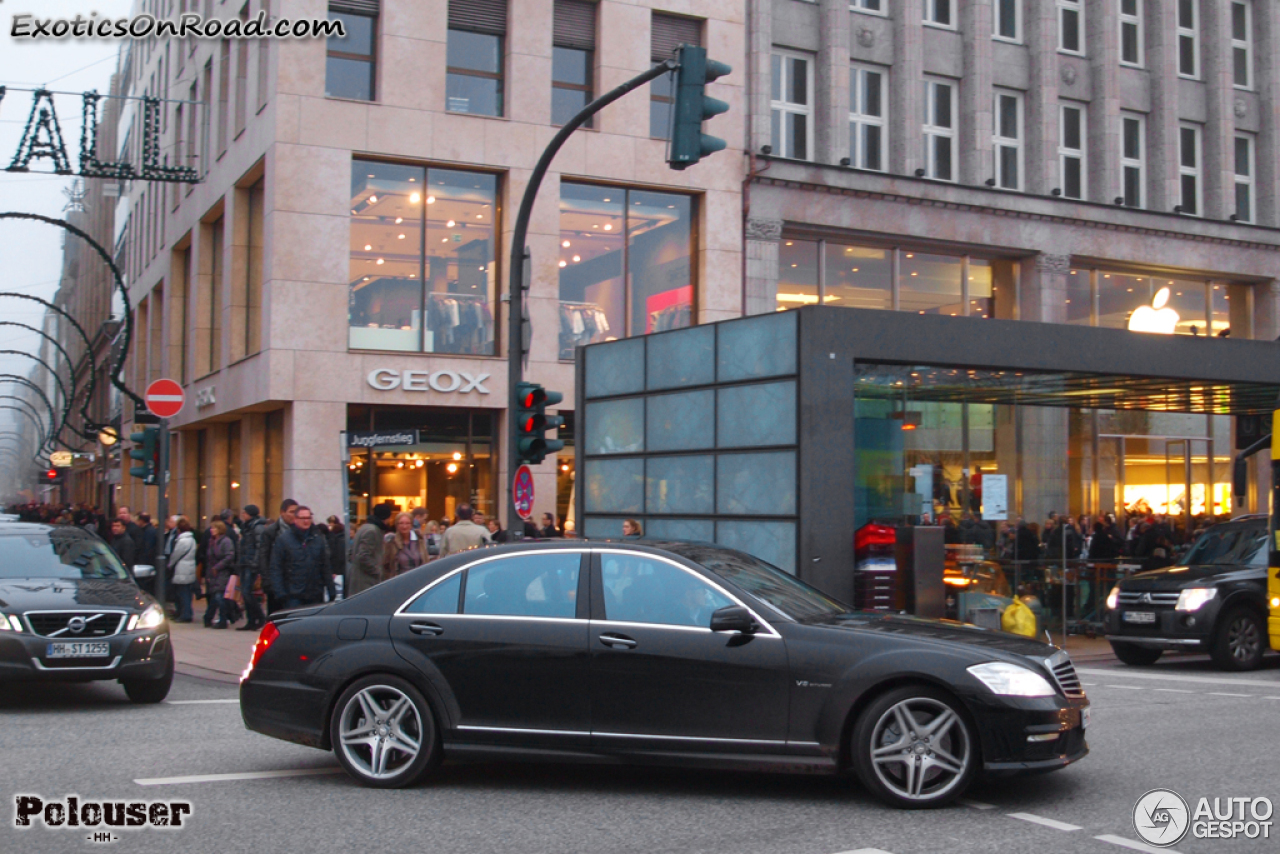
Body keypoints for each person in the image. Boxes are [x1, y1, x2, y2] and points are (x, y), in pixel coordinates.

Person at [268, 505, 331, 611]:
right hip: (293, 595)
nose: (306, 521)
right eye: (303, 518)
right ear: (295, 519)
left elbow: (325, 565)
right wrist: (280, 593)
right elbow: (276, 567)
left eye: (308, 518)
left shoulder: (317, 538)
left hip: (315, 593)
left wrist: (330, 588)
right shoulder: (284, 540)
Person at [258, 499, 299, 614]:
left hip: (296, 583)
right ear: (282, 512)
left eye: (296, 512)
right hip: (276, 581)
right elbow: (264, 556)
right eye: (291, 512)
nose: (294, 515)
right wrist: (267, 580)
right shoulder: (271, 532)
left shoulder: (301, 531)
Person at [236, 505, 268, 631]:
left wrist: (255, 562)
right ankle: (251, 620)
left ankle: (259, 617)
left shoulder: (257, 527)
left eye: (244, 512)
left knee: (247, 592)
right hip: (245, 562)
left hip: (250, 563)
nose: (242, 514)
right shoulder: (247, 526)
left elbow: (260, 546)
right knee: (245, 592)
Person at [350, 504, 393, 595]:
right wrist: (378, 571)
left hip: (360, 580)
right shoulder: (372, 531)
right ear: (386, 517)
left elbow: (351, 553)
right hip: (366, 582)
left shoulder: (364, 527)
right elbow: (363, 556)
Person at [203, 520, 238, 628]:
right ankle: (208, 618)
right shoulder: (212, 541)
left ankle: (222, 619)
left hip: (223, 571)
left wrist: (218, 567)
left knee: (219, 595)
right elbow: (209, 559)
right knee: (214, 596)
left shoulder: (226, 541)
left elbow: (229, 556)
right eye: (211, 528)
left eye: (214, 528)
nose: (211, 530)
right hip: (213, 572)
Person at [168, 517, 199, 623]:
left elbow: (176, 555)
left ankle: (185, 614)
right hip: (189, 567)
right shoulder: (192, 539)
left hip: (181, 569)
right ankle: (186, 613)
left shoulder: (182, 541)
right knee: (187, 592)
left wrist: (170, 565)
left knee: (182, 592)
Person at [384, 512, 424, 578]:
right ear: (397, 525)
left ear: (411, 525)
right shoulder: (391, 542)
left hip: (418, 579)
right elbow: (386, 566)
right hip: (399, 580)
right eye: (401, 523)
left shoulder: (419, 541)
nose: (404, 526)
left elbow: (425, 561)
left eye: (407, 523)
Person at [325, 515, 346, 600]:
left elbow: (335, 556)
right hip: (339, 569)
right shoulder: (339, 536)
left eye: (332, 523)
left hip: (337, 570)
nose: (330, 525)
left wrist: (334, 571)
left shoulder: (333, 537)